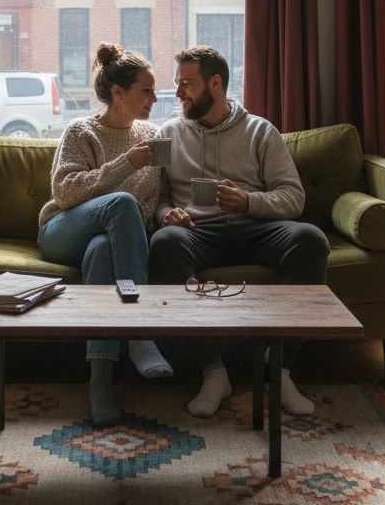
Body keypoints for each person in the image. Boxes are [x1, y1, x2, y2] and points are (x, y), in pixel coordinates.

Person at [150, 46, 330, 418]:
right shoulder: (167, 134)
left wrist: (249, 202)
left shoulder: (260, 131)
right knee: (164, 243)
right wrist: (169, 215)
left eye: (187, 84)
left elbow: (293, 196)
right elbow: (158, 198)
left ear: (215, 84)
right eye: (177, 83)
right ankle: (213, 371)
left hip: (256, 229)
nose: (179, 92)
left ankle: (279, 367)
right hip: (198, 233)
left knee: (310, 239)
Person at [37, 42, 173, 426]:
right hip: (61, 230)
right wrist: (124, 164)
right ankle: (139, 330)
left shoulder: (152, 134)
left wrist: (168, 214)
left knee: (100, 251)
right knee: (122, 203)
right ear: (118, 93)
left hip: (109, 238)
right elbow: (65, 193)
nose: (154, 97)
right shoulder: (82, 131)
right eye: (145, 90)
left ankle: (100, 384)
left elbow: (158, 196)